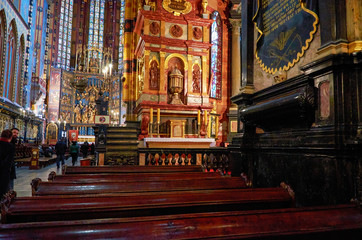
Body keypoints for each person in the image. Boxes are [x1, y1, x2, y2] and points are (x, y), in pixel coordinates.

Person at [0, 130, 15, 199]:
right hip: (4, 173)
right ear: (10, 137)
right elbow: (9, 162)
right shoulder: (10, 146)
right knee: (4, 193)